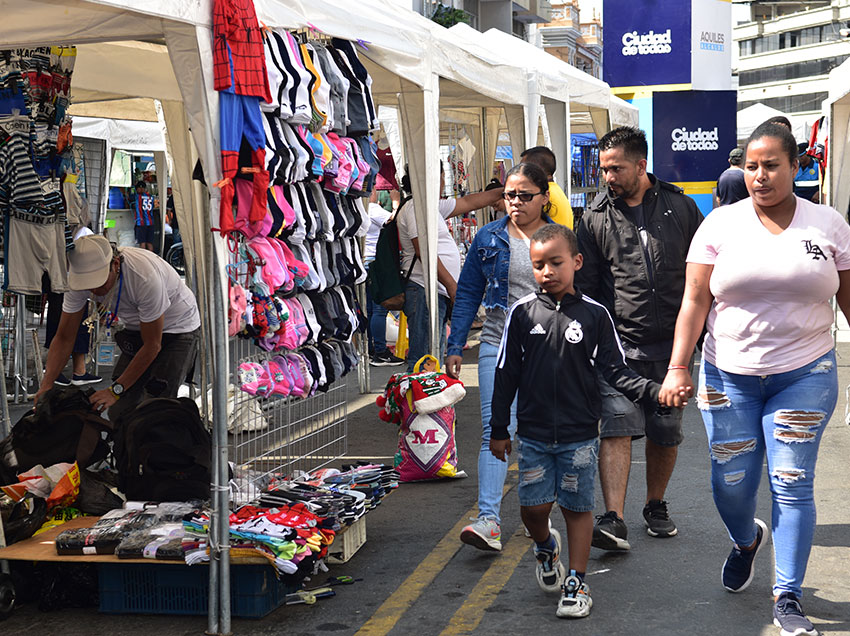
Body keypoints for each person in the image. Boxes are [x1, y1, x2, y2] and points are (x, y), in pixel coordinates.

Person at [659, 120, 850, 636]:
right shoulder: (719, 225)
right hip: (728, 376)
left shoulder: (827, 225)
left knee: (792, 483)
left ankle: (786, 596)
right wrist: (679, 366)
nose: (760, 176)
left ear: (795, 166)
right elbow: (695, 301)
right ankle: (747, 540)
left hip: (805, 373)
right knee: (732, 484)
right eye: (751, 167)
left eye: (771, 165)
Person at [489, 224, 670, 618]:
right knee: (534, 510)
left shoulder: (595, 315)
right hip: (533, 435)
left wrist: (654, 392)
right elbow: (506, 374)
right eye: (539, 265)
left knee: (576, 508)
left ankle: (576, 581)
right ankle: (544, 547)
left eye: (556, 262)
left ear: (576, 262)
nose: (547, 272)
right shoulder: (522, 314)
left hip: (580, 436)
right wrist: (499, 429)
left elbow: (616, 370)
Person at [575, 126, 703, 550]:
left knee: (665, 434)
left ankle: (656, 504)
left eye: (616, 168)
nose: (608, 176)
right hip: (618, 348)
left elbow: (701, 277)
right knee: (616, 427)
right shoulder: (594, 217)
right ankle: (613, 517)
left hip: (672, 351)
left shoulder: (681, 208)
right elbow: (588, 289)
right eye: (604, 168)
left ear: (641, 164)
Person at [446, 162, 552, 551]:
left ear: (545, 196)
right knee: (496, 430)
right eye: (510, 196)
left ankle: (535, 512)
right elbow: (469, 292)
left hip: (547, 348)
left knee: (538, 431)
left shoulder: (559, 239)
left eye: (525, 195)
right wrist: (456, 345)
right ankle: (488, 518)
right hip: (496, 344)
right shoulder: (489, 237)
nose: (516, 203)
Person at [35, 235, 201, 424]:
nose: (94, 290)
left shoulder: (143, 276)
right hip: (137, 327)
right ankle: (126, 451)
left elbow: (152, 346)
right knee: (119, 411)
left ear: (115, 264)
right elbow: (64, 337)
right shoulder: (78, 280)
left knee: (155, 407)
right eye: (87, 284)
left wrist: (115, 390)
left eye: (99, 281)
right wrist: (46, 385)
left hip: (178, 327)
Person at [397, 165, 503, 372]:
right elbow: (424, 253)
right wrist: (452, 286)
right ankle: (418, 401)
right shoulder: (415, 209)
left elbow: (470, 201)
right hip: (424, 289)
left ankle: (431, 400)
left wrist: (507, 190)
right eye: (443, 177)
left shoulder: (432, 206)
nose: (443, 182)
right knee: (424, 357)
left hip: (434, 291)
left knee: (432, 353)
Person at [365, 189, 404, 367]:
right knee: (379, 309)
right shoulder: (372, 209)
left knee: (372, 310)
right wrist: (396, 202)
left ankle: (373, 348)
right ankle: (380, 351)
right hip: (375, 262)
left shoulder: (363, 209)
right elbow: (396, 221)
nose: (377, 192)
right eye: (374, 188)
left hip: (365, 262)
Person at [520, 146, 574, 230]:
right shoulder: (555, 190)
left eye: (523, 168)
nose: (520, 173)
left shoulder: (543, 194)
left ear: (535, 169)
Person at [133, 181, 155, 251]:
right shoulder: (151, 197)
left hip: (141, 223)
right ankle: (151, 259)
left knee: (142, 243)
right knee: (149, 243)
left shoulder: (137, 197)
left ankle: (143, 260)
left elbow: (129, 199)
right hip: (151, 223)